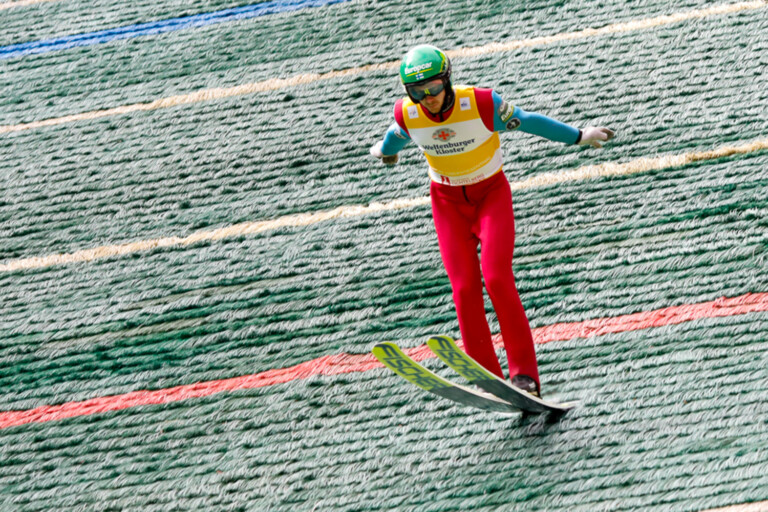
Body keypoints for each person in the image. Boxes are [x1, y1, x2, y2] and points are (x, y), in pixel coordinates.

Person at [370, 44, 615, 397]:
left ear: (448, 79)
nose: (429, 98)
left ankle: (524, 376)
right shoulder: (409, 112)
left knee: (497, 277)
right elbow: (396, 136)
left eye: (435, 88)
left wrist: (578, 135)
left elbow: (528, 121)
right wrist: (386, 154)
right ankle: (486, 374)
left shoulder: (482, 104)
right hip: (447, 203)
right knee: (465, 288)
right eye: (418, 92)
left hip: (490, 196)